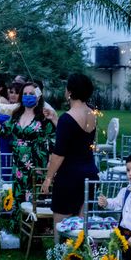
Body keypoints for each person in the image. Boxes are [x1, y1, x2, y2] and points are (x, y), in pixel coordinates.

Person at [41, 73, 98, 244]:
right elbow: (79, 139)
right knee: (81, 226)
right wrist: (56, 120)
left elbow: (59, 154)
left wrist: (48, 177)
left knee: (62, 225)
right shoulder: (92, 113)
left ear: (70, 92)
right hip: (89, 173)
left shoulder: (68, 118)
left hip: (69, 176)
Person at [0, 81, 56, 226]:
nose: (27, 96)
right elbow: (4, 131)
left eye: (31, 94)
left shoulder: (43, 116)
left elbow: (53, 140)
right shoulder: (16, 115)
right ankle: (19, 230)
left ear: (38, 97)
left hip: (36, 165)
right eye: (25, 94)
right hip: (18, 167)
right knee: (19, 196)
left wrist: (50, 164)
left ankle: (36, 232)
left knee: (34, 199)